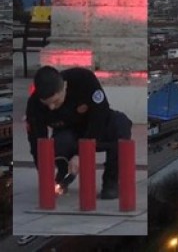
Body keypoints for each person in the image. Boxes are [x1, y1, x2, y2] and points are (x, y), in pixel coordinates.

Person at [26, 66, 132, 200]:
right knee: (58, 144)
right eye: (47, 104)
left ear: (64, 86)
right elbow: (36, 140)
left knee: (120, 125)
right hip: (67, 132)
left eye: (55, 101)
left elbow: (100, 114)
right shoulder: (34, 104)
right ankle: (62, 175)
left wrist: (81, 154)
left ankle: (111, 181)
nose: (51, 107)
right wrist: (44, 171)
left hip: (95, 126)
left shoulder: (83, 79)